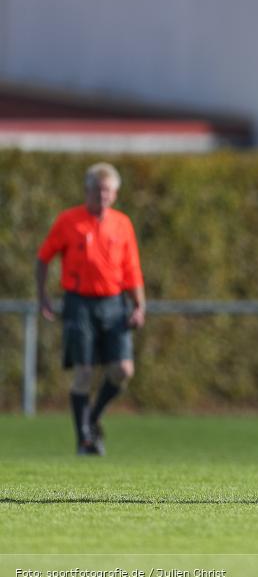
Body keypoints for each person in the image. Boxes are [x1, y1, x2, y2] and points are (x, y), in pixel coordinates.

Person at [36, 162, 145, 456]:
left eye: (107, 190)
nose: (102, 195)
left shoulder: (122, 224)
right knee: (83, 372)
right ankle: (84, 438)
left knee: (123, 369)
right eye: (98, 189)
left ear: (115, 194)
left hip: (114, 302)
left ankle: (93, 417)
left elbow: (132, 267)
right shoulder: (69, 221)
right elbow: (44, 257)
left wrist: (139, 305)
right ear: (87, 190)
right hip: (80, 302)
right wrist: (43, 295)